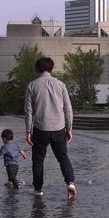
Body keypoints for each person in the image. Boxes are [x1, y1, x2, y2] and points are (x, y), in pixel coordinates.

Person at [24, 57, 76, 199]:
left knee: (38, 160)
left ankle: (38, 189)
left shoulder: (32, 86)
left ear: (37, 70)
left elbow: (28, 111)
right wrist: (69, 128)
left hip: (40, 128)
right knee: (63, 157)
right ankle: (70, 182)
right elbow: (68, 108)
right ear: (51, 69)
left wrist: (28, 131)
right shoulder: (61, 85)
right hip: (59, 127)